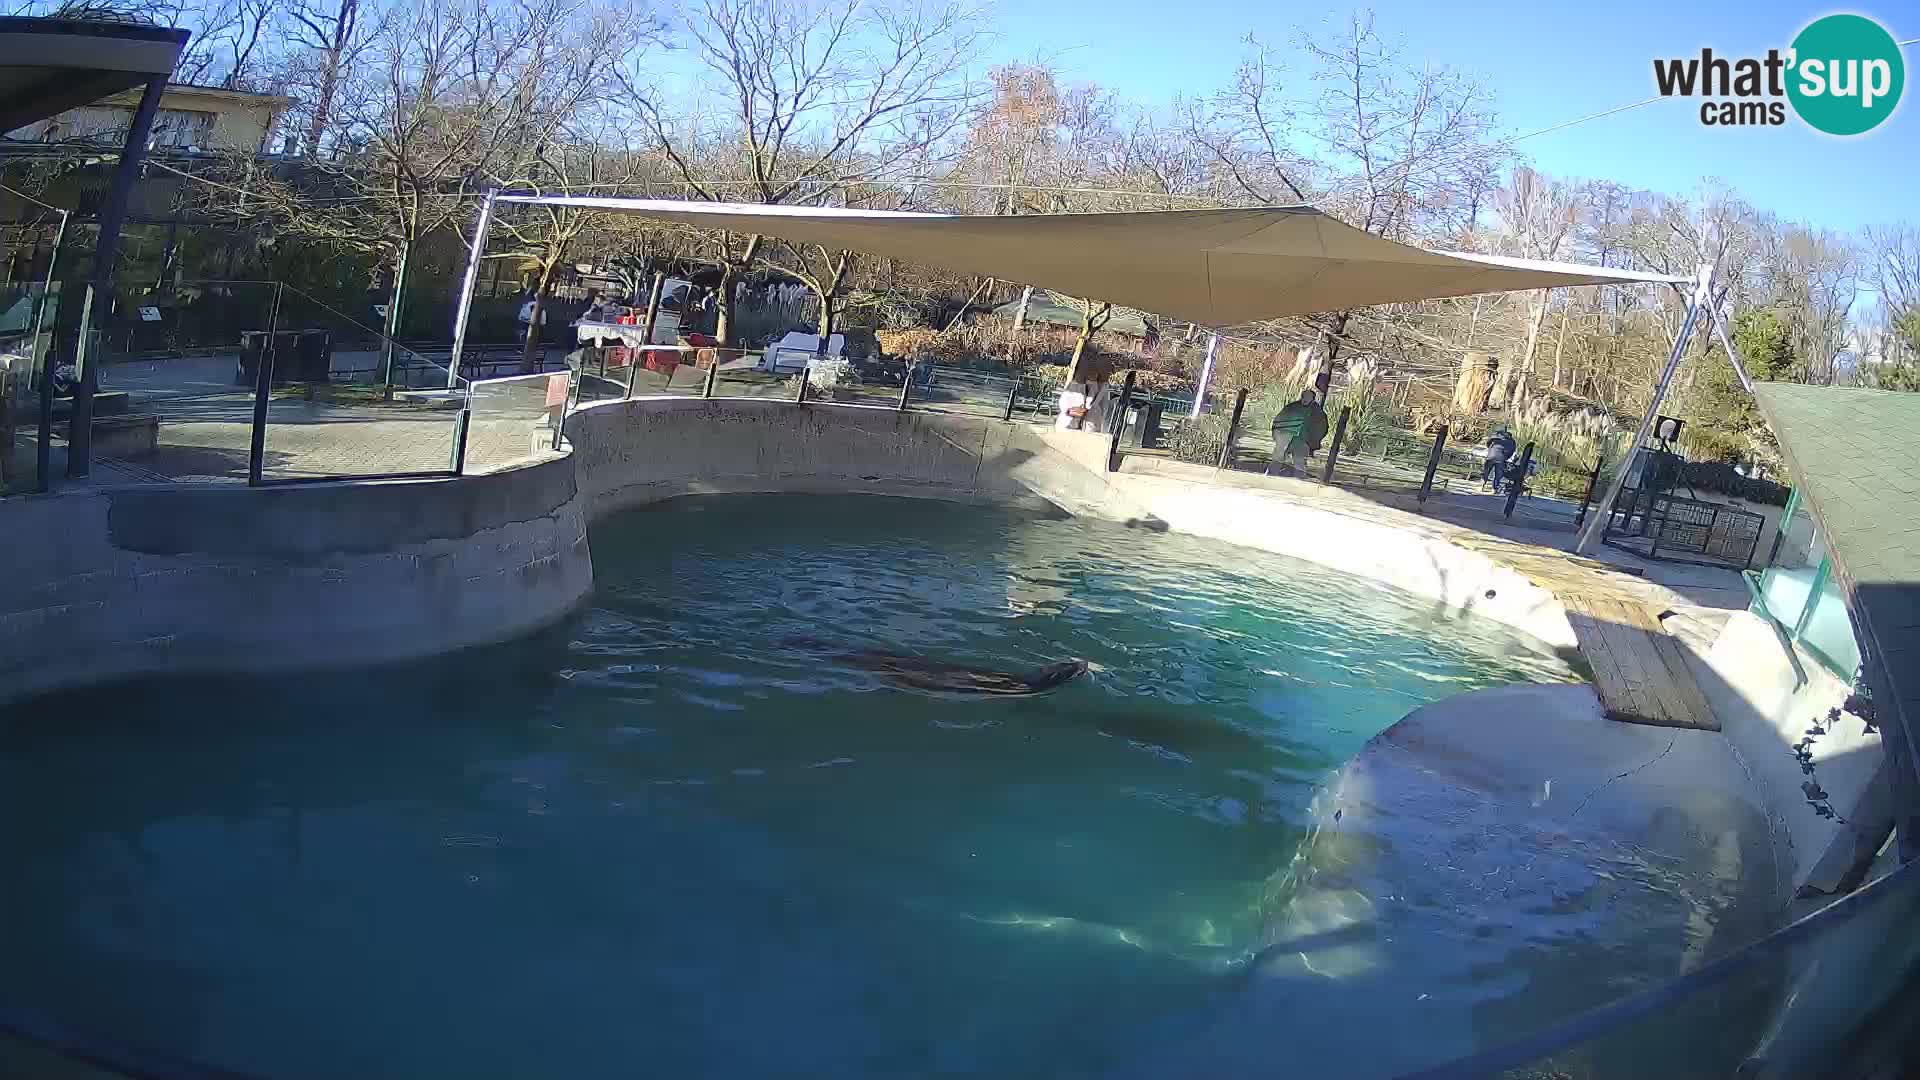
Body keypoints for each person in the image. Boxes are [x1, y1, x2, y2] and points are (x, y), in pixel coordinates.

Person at [1267, 389, 1318, 477]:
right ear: (1301, 397)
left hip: (1302, 439)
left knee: (1299, 461)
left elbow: (1320, 427)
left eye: (1308, 397)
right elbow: (1279, 419)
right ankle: (1270, 475)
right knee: (1278, 457)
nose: (1305, 399)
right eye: (1304, 397)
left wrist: (1314, 442)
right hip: (1285, 434)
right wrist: (1275, 433)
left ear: (1313, 399)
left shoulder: (1316, 411)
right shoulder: (1291, 407)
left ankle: (1299, 481)